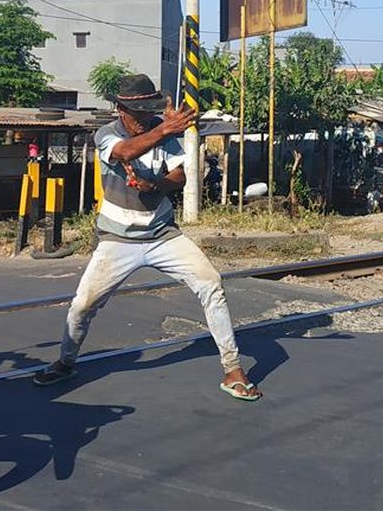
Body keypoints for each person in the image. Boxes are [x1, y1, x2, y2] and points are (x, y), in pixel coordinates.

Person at [33, 74, 263, 401]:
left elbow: (179, 175)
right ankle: (66, 361)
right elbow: (124, 153)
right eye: (135, 114)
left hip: (162, 234)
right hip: (117, 239)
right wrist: (164, 130)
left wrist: (155, 185)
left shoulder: (161, 130)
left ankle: (233, 368)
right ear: (120, 111)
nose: (142, 120)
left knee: (210, 281)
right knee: (82, 305)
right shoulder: (107, 134)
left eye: (147, 112)